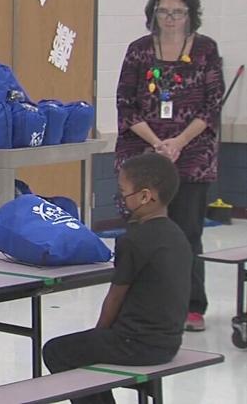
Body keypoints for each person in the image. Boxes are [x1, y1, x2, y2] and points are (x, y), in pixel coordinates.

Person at [114, 0, 225, 331]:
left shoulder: (206, 50)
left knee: (187, 232)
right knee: (140, 233)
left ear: (190, 15)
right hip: (143, 153)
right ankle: (138, 304)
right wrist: (158, 145)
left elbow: (211, 106)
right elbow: (125, 104)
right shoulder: (138, 51)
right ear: (153, 14)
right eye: (164, 11)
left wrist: (177, 143)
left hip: (191, 154)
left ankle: (191, 306)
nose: (171, 18)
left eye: (178, 12)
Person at [43, 153, 192, 404]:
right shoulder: (178, 235)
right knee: (84, 352)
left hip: (135, 344)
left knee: (56, 351)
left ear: (145, 196)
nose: (120, 198)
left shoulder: (133, 240)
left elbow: (115, 297)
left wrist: (98, 334)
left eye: (124, 191)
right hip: (169, 342)